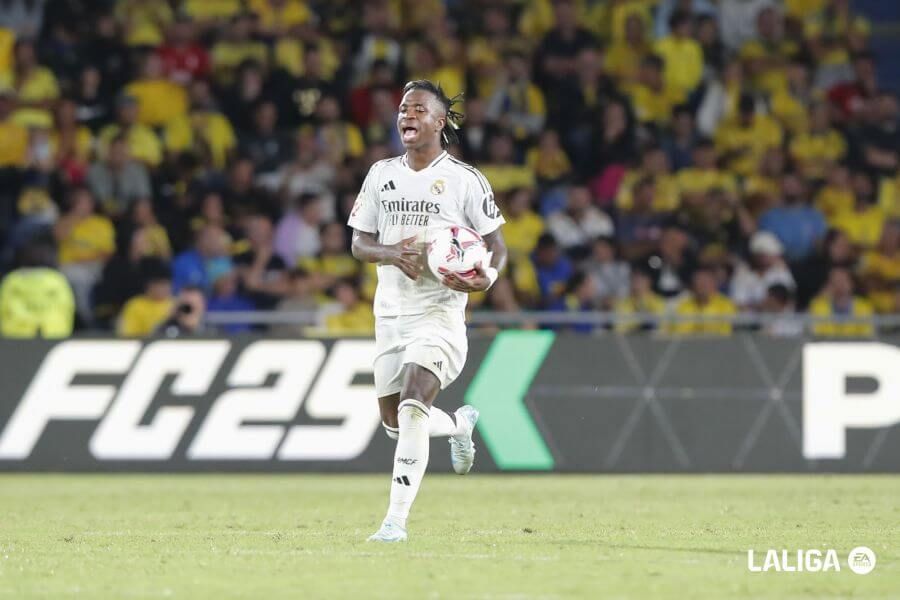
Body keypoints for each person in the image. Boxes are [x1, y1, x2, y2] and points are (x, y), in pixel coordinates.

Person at [348, 80, 507, 543]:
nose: (407, 115)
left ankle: (394, 522)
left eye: (418, 109)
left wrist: (486, 277)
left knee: (414, 404)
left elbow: (497, 244)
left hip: (438, 312)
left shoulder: (465, 179)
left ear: (440, 122)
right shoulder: (381, 174)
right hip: (390, 313)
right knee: (395, 423)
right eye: (403, 108)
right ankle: (458, 425)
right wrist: (390, 253)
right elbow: (358, 243)